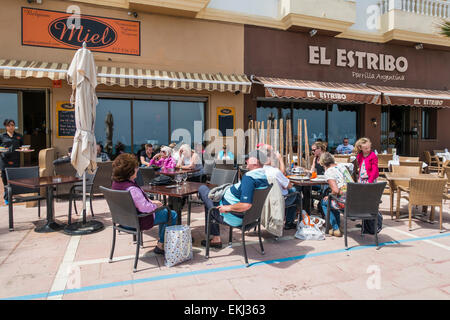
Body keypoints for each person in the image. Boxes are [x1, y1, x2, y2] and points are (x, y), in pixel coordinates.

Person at [198, 150, 269, 248]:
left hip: (231, 216)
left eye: (248, 159)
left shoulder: (249, 178)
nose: (246, 161)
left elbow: (246, 205)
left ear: (255, 161)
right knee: (209, 200)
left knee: (203, 189)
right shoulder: (263, 177)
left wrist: (228, 208)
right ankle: (215, 238)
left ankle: (216, 238)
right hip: (248, 217)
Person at [111, 153, 177, 255]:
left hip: (123, 221)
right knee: (171, 214)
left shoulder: (116, 184)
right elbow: (146, 209)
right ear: (130, 171)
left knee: (164, 213)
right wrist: (156, 205)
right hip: (139, 221)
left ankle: (161, 242)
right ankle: (161, 245)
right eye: (136, 167)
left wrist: (152, 202)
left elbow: (137, 202)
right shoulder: (132, 189)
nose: (137, 169)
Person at [261, 148, 300, 230]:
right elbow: (289, 186)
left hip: (264, 201)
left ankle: (287, 220)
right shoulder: (275, 171)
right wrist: (281, 160)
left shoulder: (259, 170)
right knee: (296, 193)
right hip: (278, 201)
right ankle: (290, 222)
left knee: (292, 192)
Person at [320, 152, 354, 237]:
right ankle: (338, 227)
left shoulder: (329, 171)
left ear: (323, 163)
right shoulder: (342, 166)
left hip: (344, 201)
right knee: (333, 200)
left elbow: (335, 190)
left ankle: (335, 228)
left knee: (324, 202)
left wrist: (329, 195)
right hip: (354, 198)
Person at [0, 119, 24, 204]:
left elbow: (22, 147)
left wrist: (24, 149)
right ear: (6, 126)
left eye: (13, 125)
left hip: (15, 160)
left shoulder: (19, 136)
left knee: (14, 180)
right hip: (4, 161)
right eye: (9, 125)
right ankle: (7, 197)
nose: (11, 127)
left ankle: (10, 194)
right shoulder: (2, 136)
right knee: (5, 180)